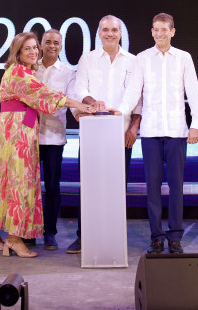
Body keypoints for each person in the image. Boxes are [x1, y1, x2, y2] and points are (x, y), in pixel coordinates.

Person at [0, 32, 94, 258]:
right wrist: (81, 105)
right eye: (27, 48)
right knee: (19, 184)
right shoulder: (20, 72)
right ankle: (14, 239)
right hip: (17, 131)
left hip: (12, 129)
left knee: (2, 182)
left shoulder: (21, 70)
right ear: (18, 52)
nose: (32, 52)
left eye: (33, 48)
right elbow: (47, 95)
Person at [120, 13, 198, 254]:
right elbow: (133, 92)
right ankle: (156, 237)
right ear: (152, 31)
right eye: (156, 29)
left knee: (176, 187)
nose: (159, 33)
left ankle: (175, 237)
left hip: (177, 131)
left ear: (172, 32)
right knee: (152, 188)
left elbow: (193, 93)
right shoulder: (142, 58)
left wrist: (196, 124)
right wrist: (120, 112)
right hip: (151, 132)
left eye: (164, 29)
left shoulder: (184, 58)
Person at [67, 15, 142, 254]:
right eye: (105, 29)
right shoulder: (87, 59)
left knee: (117, 188)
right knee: (88, 187)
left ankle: (114, 237)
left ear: (120, 33)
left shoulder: (133, 61)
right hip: (92, 133)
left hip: (120, 134)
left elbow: (135, 94)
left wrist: (123, 116)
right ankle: (84, 237)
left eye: (114, 30)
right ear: (99, 33)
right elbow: (80, 87)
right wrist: (91, 102)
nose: (110, 34)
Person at [35, 29, 75, 251]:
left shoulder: (68, 73)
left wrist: (82, 112)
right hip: (29, 137)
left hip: (54, 137)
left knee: (52, 187)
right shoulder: (30, 68)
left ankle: (49, 233)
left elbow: (72, 101)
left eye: (56, 43)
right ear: (41, 44)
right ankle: (28, 232)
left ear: (61, 46)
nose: (52, 46)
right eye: (48, 42)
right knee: (28, 187)